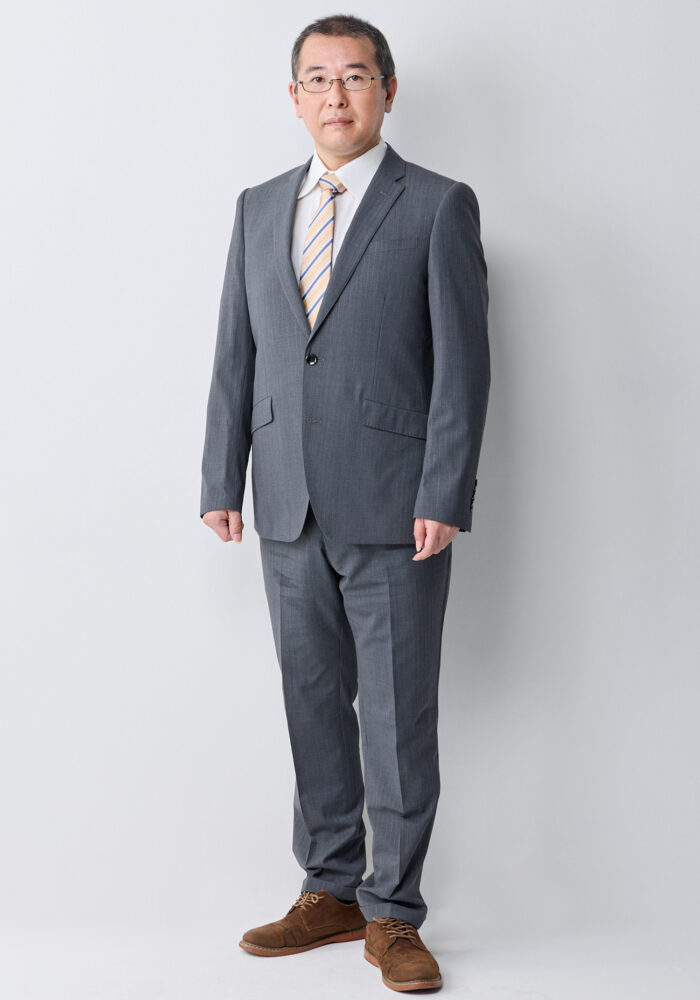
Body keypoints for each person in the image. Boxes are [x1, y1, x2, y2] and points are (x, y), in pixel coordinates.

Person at [200, 13, 490, 992]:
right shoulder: (255, 208)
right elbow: (235, 350)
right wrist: (221, 477)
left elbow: (463, 367)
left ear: (387, 92)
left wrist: (444, 489)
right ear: (294, 98)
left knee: (397, 713)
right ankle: (328, 890)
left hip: (398, 507)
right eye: (318, 79)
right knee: (312, 699)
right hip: (285, 498)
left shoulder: (437, 206)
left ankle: (393, 912)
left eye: (356, 76)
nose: (336, 95)